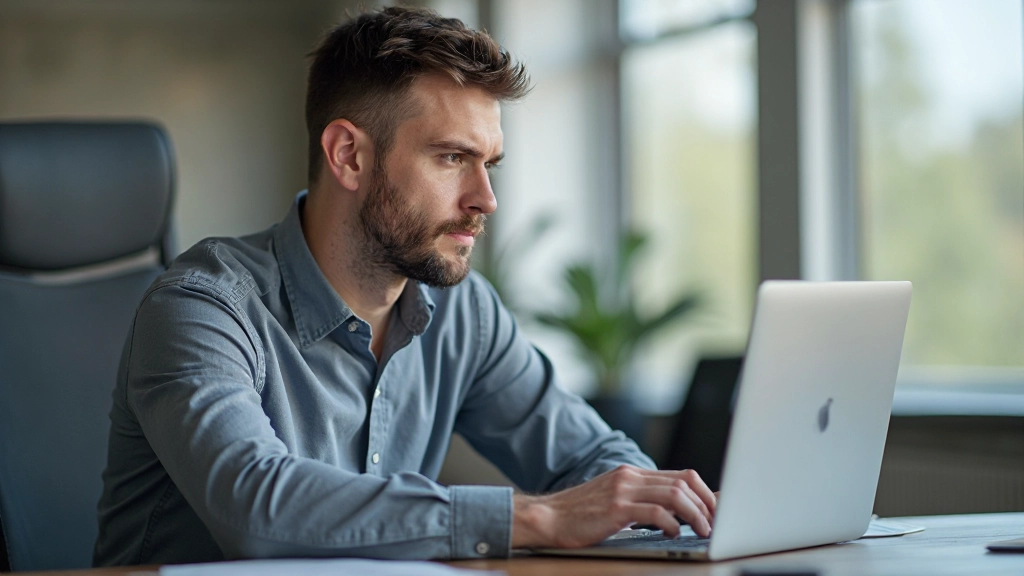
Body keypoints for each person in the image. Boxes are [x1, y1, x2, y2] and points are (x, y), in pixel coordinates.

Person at [93, 6, 715, 566]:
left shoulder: (461, 311)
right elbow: (255, 506)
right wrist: (539, 517)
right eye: (451, 158)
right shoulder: (202, 307)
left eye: (489, 164)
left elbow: (588, 456)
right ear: (350, 157)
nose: (486, 200)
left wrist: (659, 506)